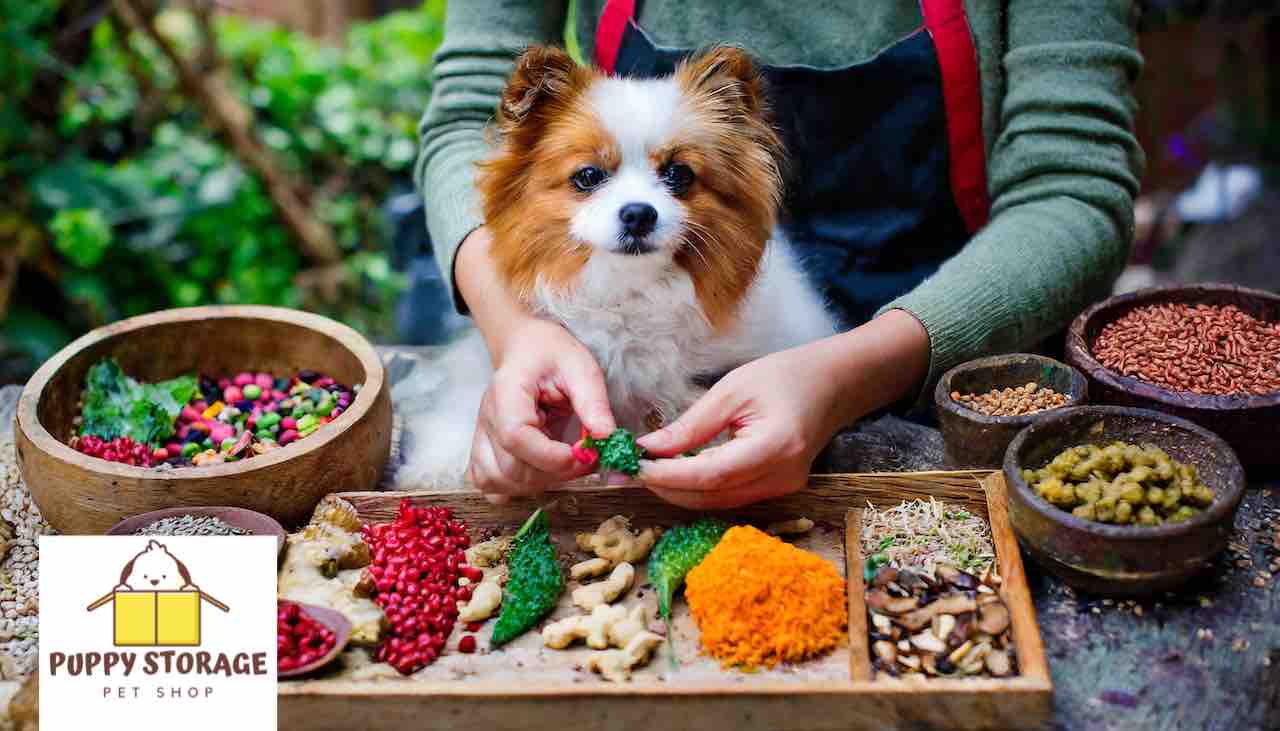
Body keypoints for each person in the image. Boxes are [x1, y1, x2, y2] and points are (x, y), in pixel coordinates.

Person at [415, 0, 1143, 508]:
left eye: (675, 176)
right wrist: (515, 330)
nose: (638, 200)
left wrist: (848, 375)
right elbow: (468, 114)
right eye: (590, 177)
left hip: (966, 377)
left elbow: (1072, 184)